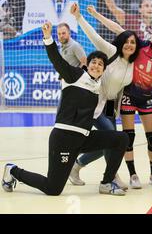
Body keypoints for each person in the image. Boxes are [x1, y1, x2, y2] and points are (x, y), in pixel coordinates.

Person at [1, 22, 129, 196]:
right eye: (94, 62)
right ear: (88, 64)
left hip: (83, 138)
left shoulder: (98, 87)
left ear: (103, 70)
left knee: (120, 138)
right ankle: (13, 170)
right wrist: (48, 38)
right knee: (53, 188)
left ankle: (106, 183)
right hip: (64, 138)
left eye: (100, 64)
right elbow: (57, 60)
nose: (96, 65)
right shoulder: (75, 76)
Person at [87, 5, 152, 187]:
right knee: (128, 137)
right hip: (128, 97)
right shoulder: (140, 47)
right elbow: (118, 30)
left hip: (147, 98)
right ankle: (133, 175)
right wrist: (96, 14)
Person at [67, 3, 140, 189]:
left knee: (106, 143)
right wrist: (79, 17)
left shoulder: (133, 63)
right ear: (121, 42)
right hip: (95, 103)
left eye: (133, 42)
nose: (130, 45)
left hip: (110, 108)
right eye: (127, 41)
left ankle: (77, 166)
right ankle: (112, 177)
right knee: (113, 139)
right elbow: (94, 36)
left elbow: (121, 89)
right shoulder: (112, 52)